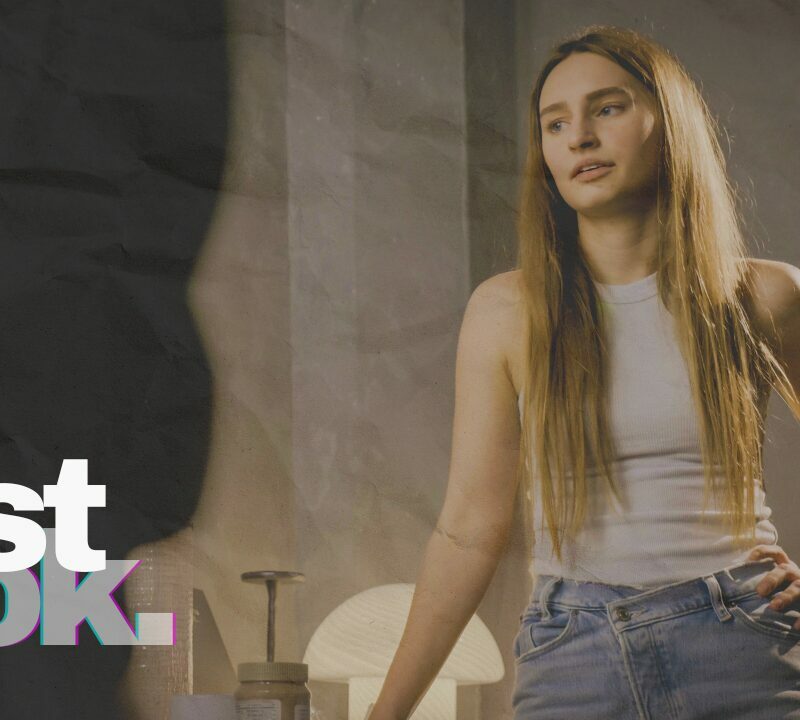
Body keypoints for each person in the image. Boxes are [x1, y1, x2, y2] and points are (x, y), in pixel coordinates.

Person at [366, 24, 800, 720]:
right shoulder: (505, 312)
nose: (579, 138)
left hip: (741, 644)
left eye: (607, 108)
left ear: (669, 125)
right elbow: (467, 529)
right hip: (573, 653)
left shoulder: (767, 296)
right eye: (555, 123)